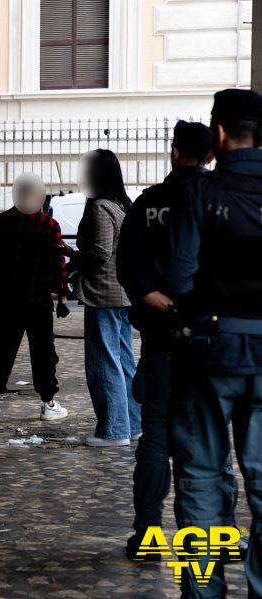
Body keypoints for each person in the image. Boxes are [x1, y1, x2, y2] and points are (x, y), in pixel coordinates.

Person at [116, 121, 240, 560]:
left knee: (155, 436)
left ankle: (148, 537)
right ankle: (218, 538)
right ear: (211, 152)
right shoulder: (227, 200)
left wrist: (170, 309)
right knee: (213, 438)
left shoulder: (149, 204)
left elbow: (131, 274)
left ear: (173, 153)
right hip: (215, 341)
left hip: (163, 341)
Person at [161, 88, 262, 596]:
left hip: (208, 354)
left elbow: (178, 280)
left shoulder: (198, 194)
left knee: (199, 483)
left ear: (218, 134)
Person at [0, 173, 70, 424]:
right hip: (38, 301)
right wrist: (61, 297)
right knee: (43, 353)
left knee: (0, 352)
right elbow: (58, 263)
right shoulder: (49, 225)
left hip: (6, 301)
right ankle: (48, 403)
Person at [63, 149, 140, 447]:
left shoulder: (100, 208)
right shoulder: (123, 205)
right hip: (122, 293)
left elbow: (100, 253)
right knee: (124, 361)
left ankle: (113, 429)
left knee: (104, 362)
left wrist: (72, 254)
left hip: (104, 294)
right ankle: (133, 424)